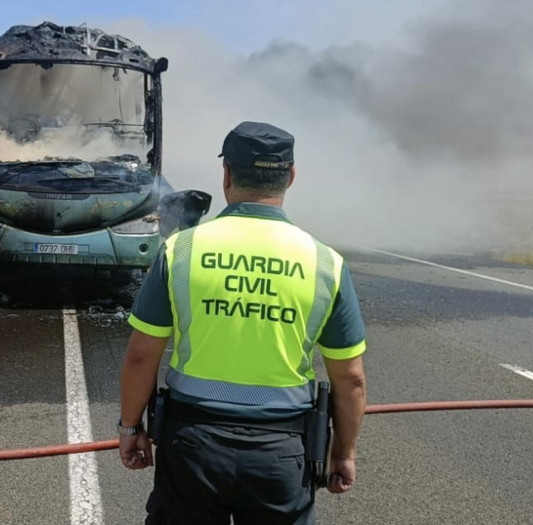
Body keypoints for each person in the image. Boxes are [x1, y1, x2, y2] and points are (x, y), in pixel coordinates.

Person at [118, 121, 368, 524]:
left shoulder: (182, 250)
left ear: (227, 175)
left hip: (192, 447)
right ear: (290, 176)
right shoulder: (325, 263)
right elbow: (351, 379)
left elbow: (140, 357)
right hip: (282, 453)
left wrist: (130, 428)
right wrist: (343, 453)